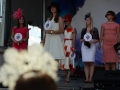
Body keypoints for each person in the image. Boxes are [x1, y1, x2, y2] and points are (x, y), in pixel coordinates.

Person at [80, 13, 99, 83]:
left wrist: (93, 41)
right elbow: (81, 39)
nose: (86, 21)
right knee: (85, 63)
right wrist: (84, 39)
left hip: (92, 46)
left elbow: (98, 39)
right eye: (86, 20)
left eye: (88, 20)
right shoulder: (83, 30)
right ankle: (86, 78)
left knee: (91, 63)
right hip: (84, 46)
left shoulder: (95, 30)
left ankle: (90, 78)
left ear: (91, 21)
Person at [61, 14, 77, 82]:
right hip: (64, 45)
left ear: (70, 21)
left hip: (70, 45)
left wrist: (73, 47)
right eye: (65, 21)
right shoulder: (64, 29)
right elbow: (60, 26)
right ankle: (66, 75)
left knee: (69, 60)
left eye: (67, 21)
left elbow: (74, 39)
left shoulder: (73, 29)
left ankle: (68, 76)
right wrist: (62, 21)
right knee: (64, 61)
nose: (66, 22)